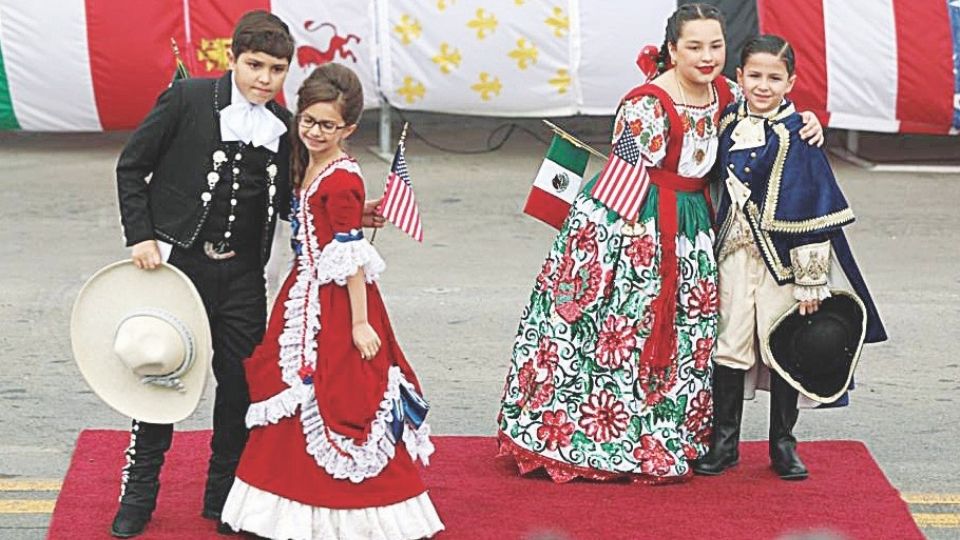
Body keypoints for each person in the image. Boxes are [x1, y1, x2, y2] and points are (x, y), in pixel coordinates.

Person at [497, 4, 823, 484]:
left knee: (690, 333)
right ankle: (608, 434)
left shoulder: (726, 94)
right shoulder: (646, 104)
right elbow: (625, 178)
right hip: (637, 224)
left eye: (716, 46)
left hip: (694, 223)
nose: (707, 56)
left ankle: (671, 433)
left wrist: (807, 120)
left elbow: (769, 109)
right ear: (672, 49)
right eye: (694, 46)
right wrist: (628, 250)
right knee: (627, 330)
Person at [220, 63, 444, 539]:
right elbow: (324, 223)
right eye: (308, 120)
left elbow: (351, 259)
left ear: (348, 129)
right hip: (304, 291)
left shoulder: (342, 177)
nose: (315, 132)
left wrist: (361, 324)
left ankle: (347, 512)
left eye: (327, 125)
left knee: (339, 392)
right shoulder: (311, 162)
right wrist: (355, 214)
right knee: (295, 389)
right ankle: (285, 505)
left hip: (336, 301)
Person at [112, 11, 296, 537]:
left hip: (243, 276)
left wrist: (352, 212)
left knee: (239, 386)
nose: (264, 78)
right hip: (179, 266)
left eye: (276, 69)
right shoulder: (188, 99)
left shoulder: (283, 127)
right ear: (232, 58)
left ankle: (224, 498)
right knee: (161, 374)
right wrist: (141, 235)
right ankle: (138, 496)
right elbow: (132, 166)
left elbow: (291, 199)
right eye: (255, 65)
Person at [693, 35, 886, 480]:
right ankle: (724, 444)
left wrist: (811, 281)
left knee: (783, 344)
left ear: (791, 82)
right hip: (732, 255)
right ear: (739, 77)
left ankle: (782, 444)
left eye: (774, 78)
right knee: (730, 344)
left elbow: (813, 206)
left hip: (782, 263)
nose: (763, 86)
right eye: (755, 76)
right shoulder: (726, 119)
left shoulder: (800, 133)